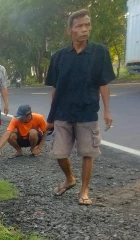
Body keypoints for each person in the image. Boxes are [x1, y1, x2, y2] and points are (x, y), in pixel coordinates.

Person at [45, 9, 115, 205]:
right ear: (69, 31)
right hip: (62, 112)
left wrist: (107, 111)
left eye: (87, 25)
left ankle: (84, 190)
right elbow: (55, 88)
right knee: (59, 153)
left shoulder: (100, 52)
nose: (84, 30)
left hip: (87, 111)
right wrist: (50, 117)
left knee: (87, 152)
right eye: (79, 26)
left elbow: (103, 83)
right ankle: (69, 178)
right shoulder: (58, 57)